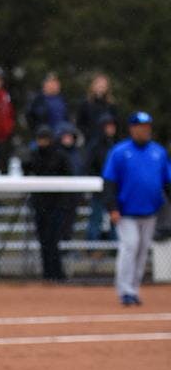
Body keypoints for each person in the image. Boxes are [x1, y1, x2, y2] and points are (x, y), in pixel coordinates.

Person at [103, 111, 171, 306]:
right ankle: (124, 289)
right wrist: (112, 208)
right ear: (132, 128)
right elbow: (109, 182)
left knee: (142, 251)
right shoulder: (120, 152)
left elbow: (167, 182)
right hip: (126, 211)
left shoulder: (158, 152)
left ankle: (133, 289)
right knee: (130, 246)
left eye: (148, 126)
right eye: (141, 127)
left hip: (150, 210)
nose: (145, 130)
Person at [22, 125, 72, 282]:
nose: (42, 143)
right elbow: (27, 172)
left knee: (53, 240)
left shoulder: (60, 155)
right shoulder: (34, 155)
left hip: (56, 204)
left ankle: (57, 273)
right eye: (40, 139)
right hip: (39, 204)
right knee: (43, 241)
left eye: (45, 139)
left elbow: (68, 176)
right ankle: (47, 273)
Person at [84, 114, 118, 244]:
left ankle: (115, 247)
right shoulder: (95, 145)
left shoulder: (115, 144)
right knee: (96, 218)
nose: (111, 129)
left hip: (113, 189)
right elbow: (88, 165)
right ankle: (92, 246)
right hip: (99, 189)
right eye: (108, 127)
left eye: (112, 126)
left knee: (114, 218)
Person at [55, 121, 82, 241]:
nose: (68, 139)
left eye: (70, 136)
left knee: (70, 220)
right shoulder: (56, 153)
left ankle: (67, 242)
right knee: (59, 220)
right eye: (65, 136)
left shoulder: (77, 153)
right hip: (59, 195)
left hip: (73, 193)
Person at [76, 73, 118, 150]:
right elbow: (80, 123)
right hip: (90, 141)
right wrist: (88, 134)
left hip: (107, 142)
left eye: (103, 84)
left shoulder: (111, 105)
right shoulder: (85, 103)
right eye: (98, 83)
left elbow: (116, 123)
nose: (100, 86)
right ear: (93, 86)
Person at [25, 72, 70, 137]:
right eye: (51, 83)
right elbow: (30, 117)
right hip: (44, 137)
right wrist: (38, 131)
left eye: (56, 83)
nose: (54, 85)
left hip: (61, 137)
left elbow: (67, 118)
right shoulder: (38, 100)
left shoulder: (62, 99)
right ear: (45, 85)